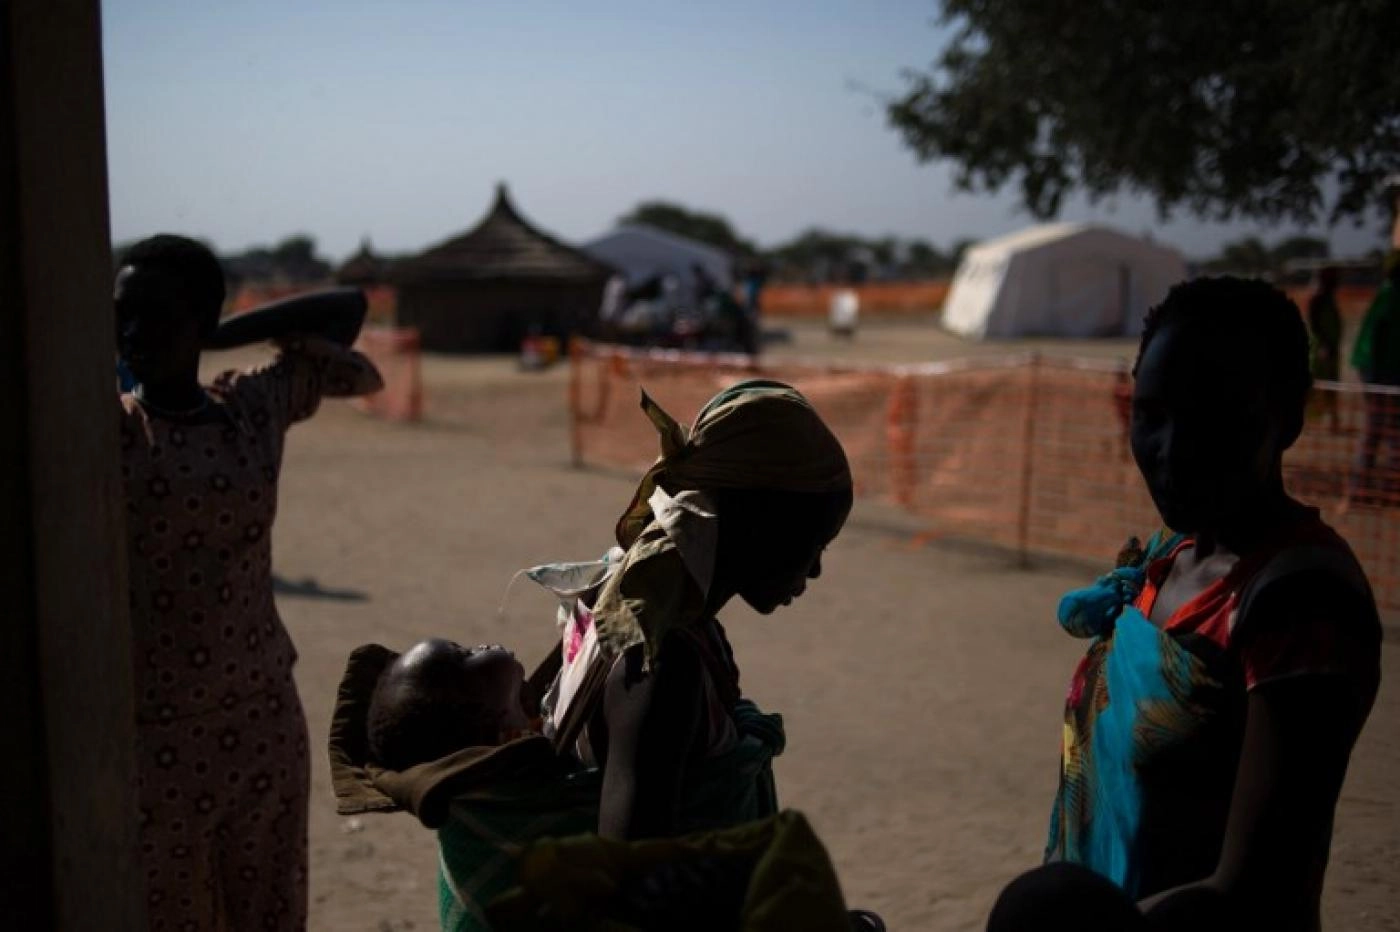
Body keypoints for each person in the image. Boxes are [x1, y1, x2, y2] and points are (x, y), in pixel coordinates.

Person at [989, 278, 1381, 931]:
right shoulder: (1170, 556)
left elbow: (1255, 891)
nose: (1172, 451)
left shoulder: (1301, 604)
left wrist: (1066, 921)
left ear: (1289, 417)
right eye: (1151, 415)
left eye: (1213, 420)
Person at [117, 234, 382, 931]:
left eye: (155, 314)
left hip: (262, 719)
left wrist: (218, 333)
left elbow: (349, 320)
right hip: (152, 736)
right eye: (122, 316)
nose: (133, 333)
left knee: (270, 912)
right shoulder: (105, 432)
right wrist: (182, 330)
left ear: (202, 320)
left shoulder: (250, 407)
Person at [538, 381, 853, 840]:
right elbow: (632, 863)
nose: (817, 569)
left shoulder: (622, 585)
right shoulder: (660, 661)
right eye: (814, 543)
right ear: (757, 524)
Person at [1349, 254, 1400, 501]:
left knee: (1391, 428)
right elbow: (1378, 334)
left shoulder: (1390, 293)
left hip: (1386, 368)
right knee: (1378, 426)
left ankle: (1388, 484)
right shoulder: (1391, 294)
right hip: (1380, 370)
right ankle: (1362, 486)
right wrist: (1376, 377)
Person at [1306, 266, 1342, 430]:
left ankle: (1333, 420)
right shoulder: (1318, 298)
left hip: (1331, 348)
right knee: (1316, 385)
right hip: (1321, 349)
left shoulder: (1328, 298)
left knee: (1332, 386)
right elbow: (1314, 325)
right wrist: (1324, 345)